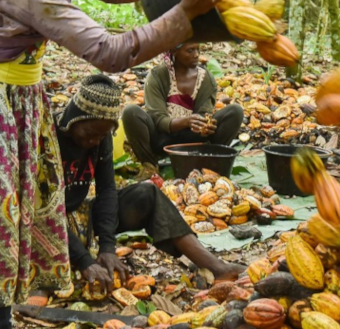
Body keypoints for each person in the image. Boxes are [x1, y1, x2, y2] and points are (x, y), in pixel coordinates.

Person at [0, 0, 231, 329]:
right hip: (7, 105)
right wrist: (183, 14)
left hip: (25, 102)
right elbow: (108, 51)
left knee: (23, 216)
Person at [56, 75, 244, 291]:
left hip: (81, 216)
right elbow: (41, 209)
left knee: (148, 193)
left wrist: (107, 247)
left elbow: (107, 189)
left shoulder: (100, 137)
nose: (95, 142)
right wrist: (85, 260)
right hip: (46, 222)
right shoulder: (49, 136)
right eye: (89, 134)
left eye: (102, 136)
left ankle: (216, 267)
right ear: (74, 120)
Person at [122, 42, 244, 176]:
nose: (196, 55)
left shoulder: (206, 79)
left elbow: (204, 114)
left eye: (198, 49)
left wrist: (204, 126)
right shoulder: (158, 76)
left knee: (235, 112)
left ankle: (211, 162)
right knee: (131, 112)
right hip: (160, 138)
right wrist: (185, 121)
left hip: (192, 140)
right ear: (174, 51)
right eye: (190, 50)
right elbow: (158, 119)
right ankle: (150, 166)